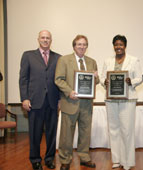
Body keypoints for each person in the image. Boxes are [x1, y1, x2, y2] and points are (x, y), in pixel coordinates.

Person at [55, 35, 99, 170]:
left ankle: (84, 157)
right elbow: (58, 79)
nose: (82, 47)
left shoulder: (92, 61)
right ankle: (65, 160)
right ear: (74, 46)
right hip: (70, 102)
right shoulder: (64, 60)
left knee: (85, 132)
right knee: (66, 134)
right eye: (79, 44)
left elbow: (94, 82)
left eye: (84, 44)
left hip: (86, 104)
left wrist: (96, 78)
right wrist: (69, 91)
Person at [19, 30, 60, 170]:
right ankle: (35, 159)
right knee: (35, 133)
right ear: (38, 39)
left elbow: (60, 80)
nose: (45, 40)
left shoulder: (58, 57)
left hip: (53, 102)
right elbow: (23, 79)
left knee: (51, 133)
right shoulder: (28, 55)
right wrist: (24, 98)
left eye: (48, 38)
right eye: (43, 37)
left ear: (51, 40)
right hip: (35, 101)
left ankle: (49, 159)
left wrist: (60, 99)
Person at [100, 35, 142, 170]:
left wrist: (132, 81)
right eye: (116, 44)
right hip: (111, 99)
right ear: (113, 46)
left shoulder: (134, 60)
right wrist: (104, 82)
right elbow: (102, 77)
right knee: (113, 130)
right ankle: (116, 160)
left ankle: (128, 161)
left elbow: (139, 77)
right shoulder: (108, 61)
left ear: (125, 46)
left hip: (128, 99)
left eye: (121, 44)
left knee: (127, 130)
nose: (118, 47)